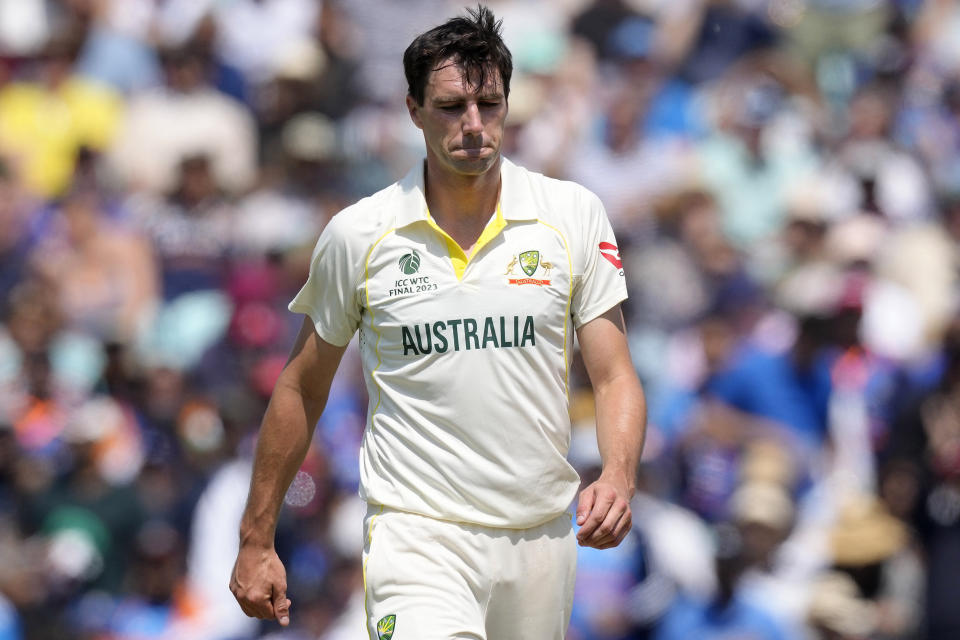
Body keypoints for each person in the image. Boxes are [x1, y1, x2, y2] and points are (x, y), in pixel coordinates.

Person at [229, 6, 647, 639]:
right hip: (415, 534)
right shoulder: (360, 233)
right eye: (451, 107)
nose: (474, 125)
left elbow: (614, 376)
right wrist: (257, 537)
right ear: (413, 110)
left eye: (489, 103)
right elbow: (300, 387)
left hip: (539, 537)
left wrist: (617, 475)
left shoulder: (572, 215)